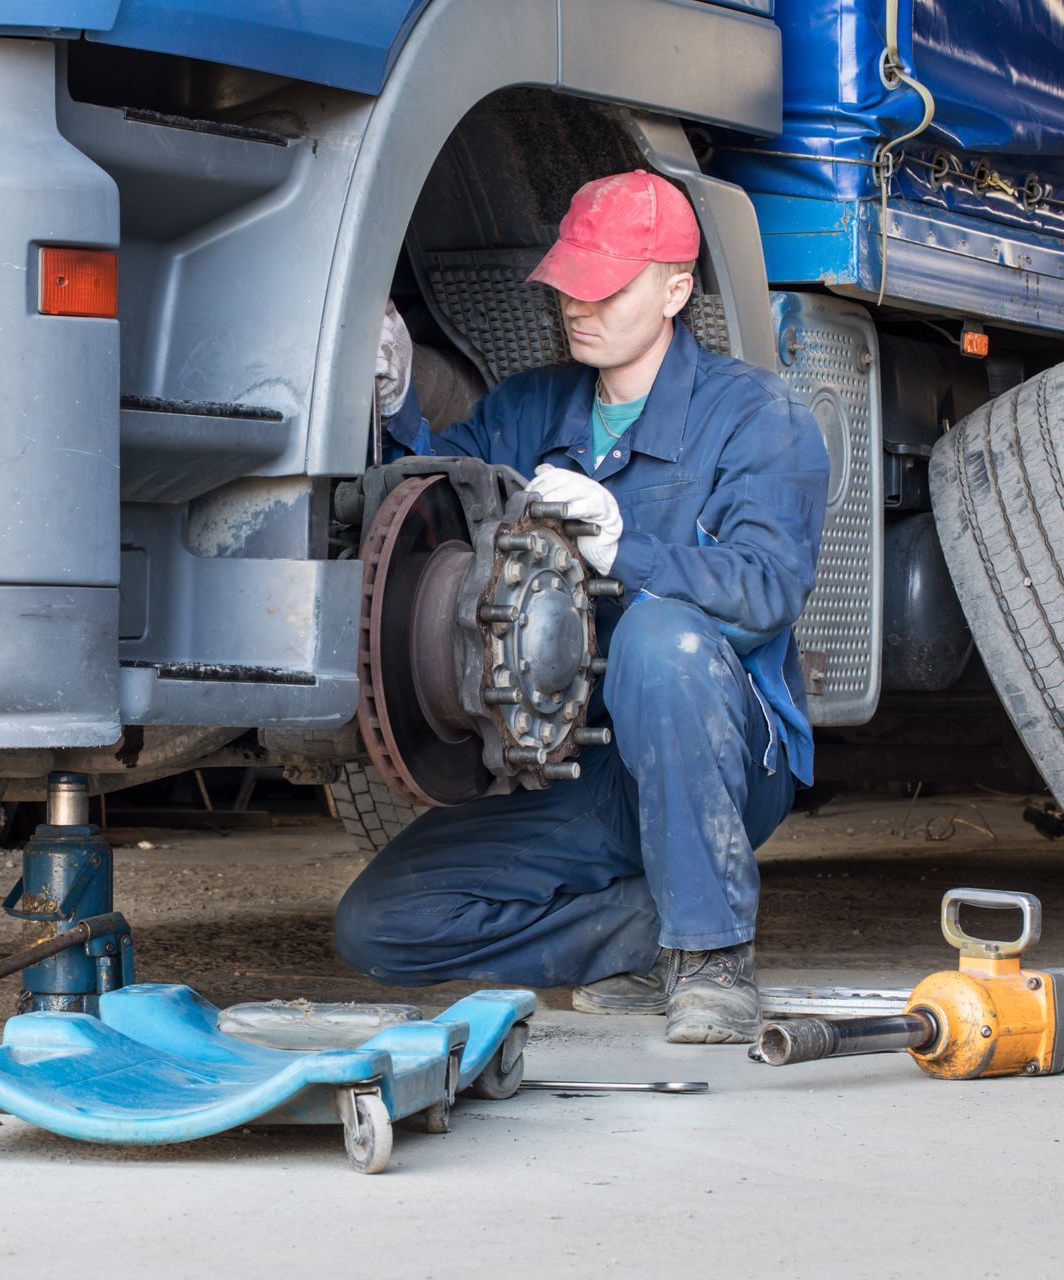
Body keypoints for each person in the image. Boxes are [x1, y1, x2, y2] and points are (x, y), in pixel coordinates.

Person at [336, 170, 829, 1043]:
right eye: (571, 281)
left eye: (608, 286)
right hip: (581, 770)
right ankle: (641, 932)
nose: (579, 304)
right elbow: (428, 506)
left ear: (675, 290)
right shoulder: (531, 407)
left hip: (720, 755)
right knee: (382, 924)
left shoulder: (758, 416)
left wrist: (620, 545)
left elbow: (763, 591)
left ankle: (711, 959)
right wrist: (389, 406)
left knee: (660, 640)